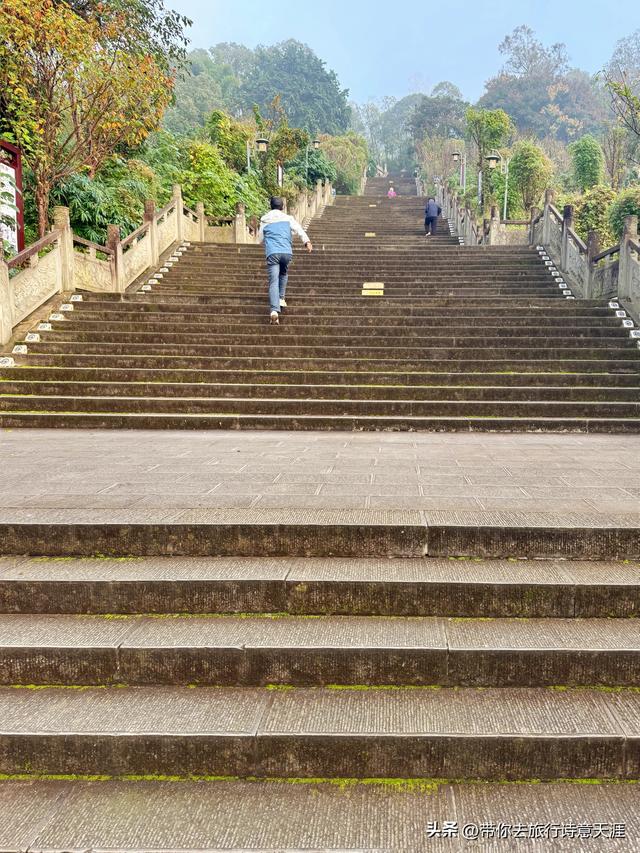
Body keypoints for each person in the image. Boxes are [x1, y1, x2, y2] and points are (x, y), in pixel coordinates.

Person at [258, 197, 313, 325]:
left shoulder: (265, 220)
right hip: (286, 252)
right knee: (283, 273)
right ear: (282, 207)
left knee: (273, 281)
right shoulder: (288, 219)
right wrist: (307, 242)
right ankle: (281, 298)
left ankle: (274, 311)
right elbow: (299, 230)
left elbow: (260, 239)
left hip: (273, 252)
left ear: (270, 206)